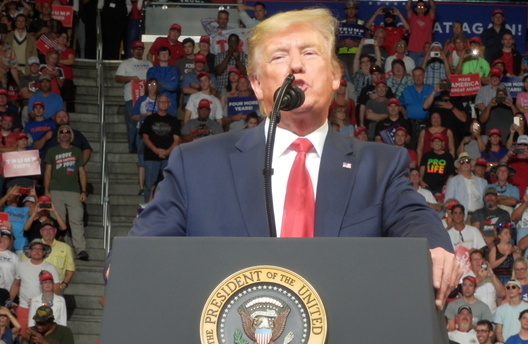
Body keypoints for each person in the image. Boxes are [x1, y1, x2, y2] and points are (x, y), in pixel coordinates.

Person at [127, 8, 460, 307]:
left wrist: (433, 249)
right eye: (279, 56)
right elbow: (141, 250)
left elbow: (414, 218)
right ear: (257, 84)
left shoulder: (380, 167)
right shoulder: (197, 163)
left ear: (335, 76)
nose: (296, 65)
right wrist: (126, 266)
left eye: (310, 53)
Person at [44, 124, 88, 261]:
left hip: (74, 191)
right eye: (61, 131)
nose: (64, 133)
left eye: (67, 131)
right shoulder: (52, 151)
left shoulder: (76, 151)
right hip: (56, 190)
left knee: (77, 220)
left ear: (71, 135)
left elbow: (82, 172)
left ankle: (81, 249)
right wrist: (46, 190)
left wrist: (84, 191)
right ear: (58, 135)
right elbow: (48, 172)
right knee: (57, 220)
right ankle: (56, 247)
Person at [114, 40, 152, 155]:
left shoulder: (149, 64)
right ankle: (133, 146)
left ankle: (144, 145)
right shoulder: (126, 63)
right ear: (132, 50)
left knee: (146, 121)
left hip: (146, 97)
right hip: (131, 97)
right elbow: (117, 78)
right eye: (136, 49)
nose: (138, 51)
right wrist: (130, 78)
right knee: (132, 122)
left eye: (140, 49)